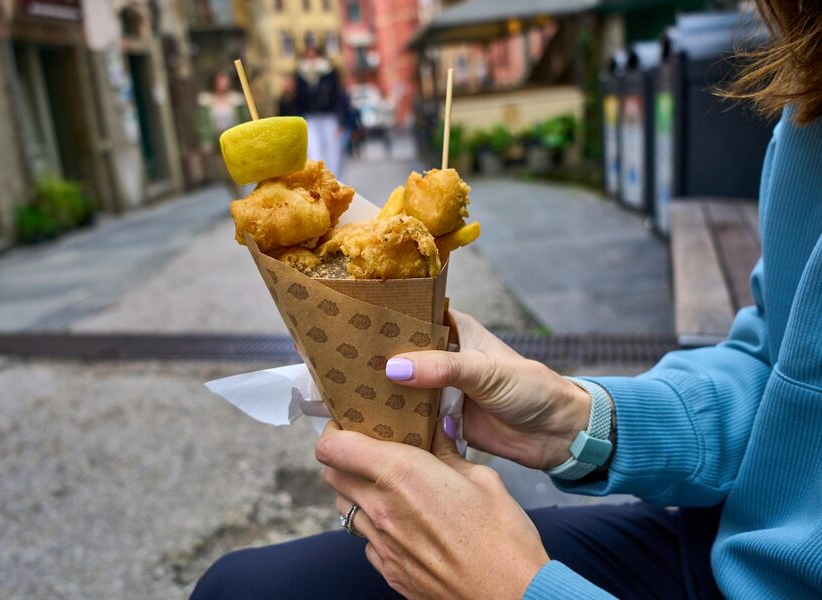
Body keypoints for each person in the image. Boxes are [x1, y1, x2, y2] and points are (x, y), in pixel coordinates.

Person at [192, 1, 822, 598]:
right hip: (731, 540)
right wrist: (579, 420)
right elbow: (778, 371)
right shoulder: (810, 103)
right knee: (237, 589)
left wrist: (513, 587)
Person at [292, 43, 348, 179]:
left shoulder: (329, 71)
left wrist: (341, 121)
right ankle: (319, 180)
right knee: (314, 152)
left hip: (329, 116)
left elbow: (338, 96)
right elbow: (297, 99)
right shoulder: (300, 74)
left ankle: (335, 180)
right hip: (310, 117)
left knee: (333, 151)